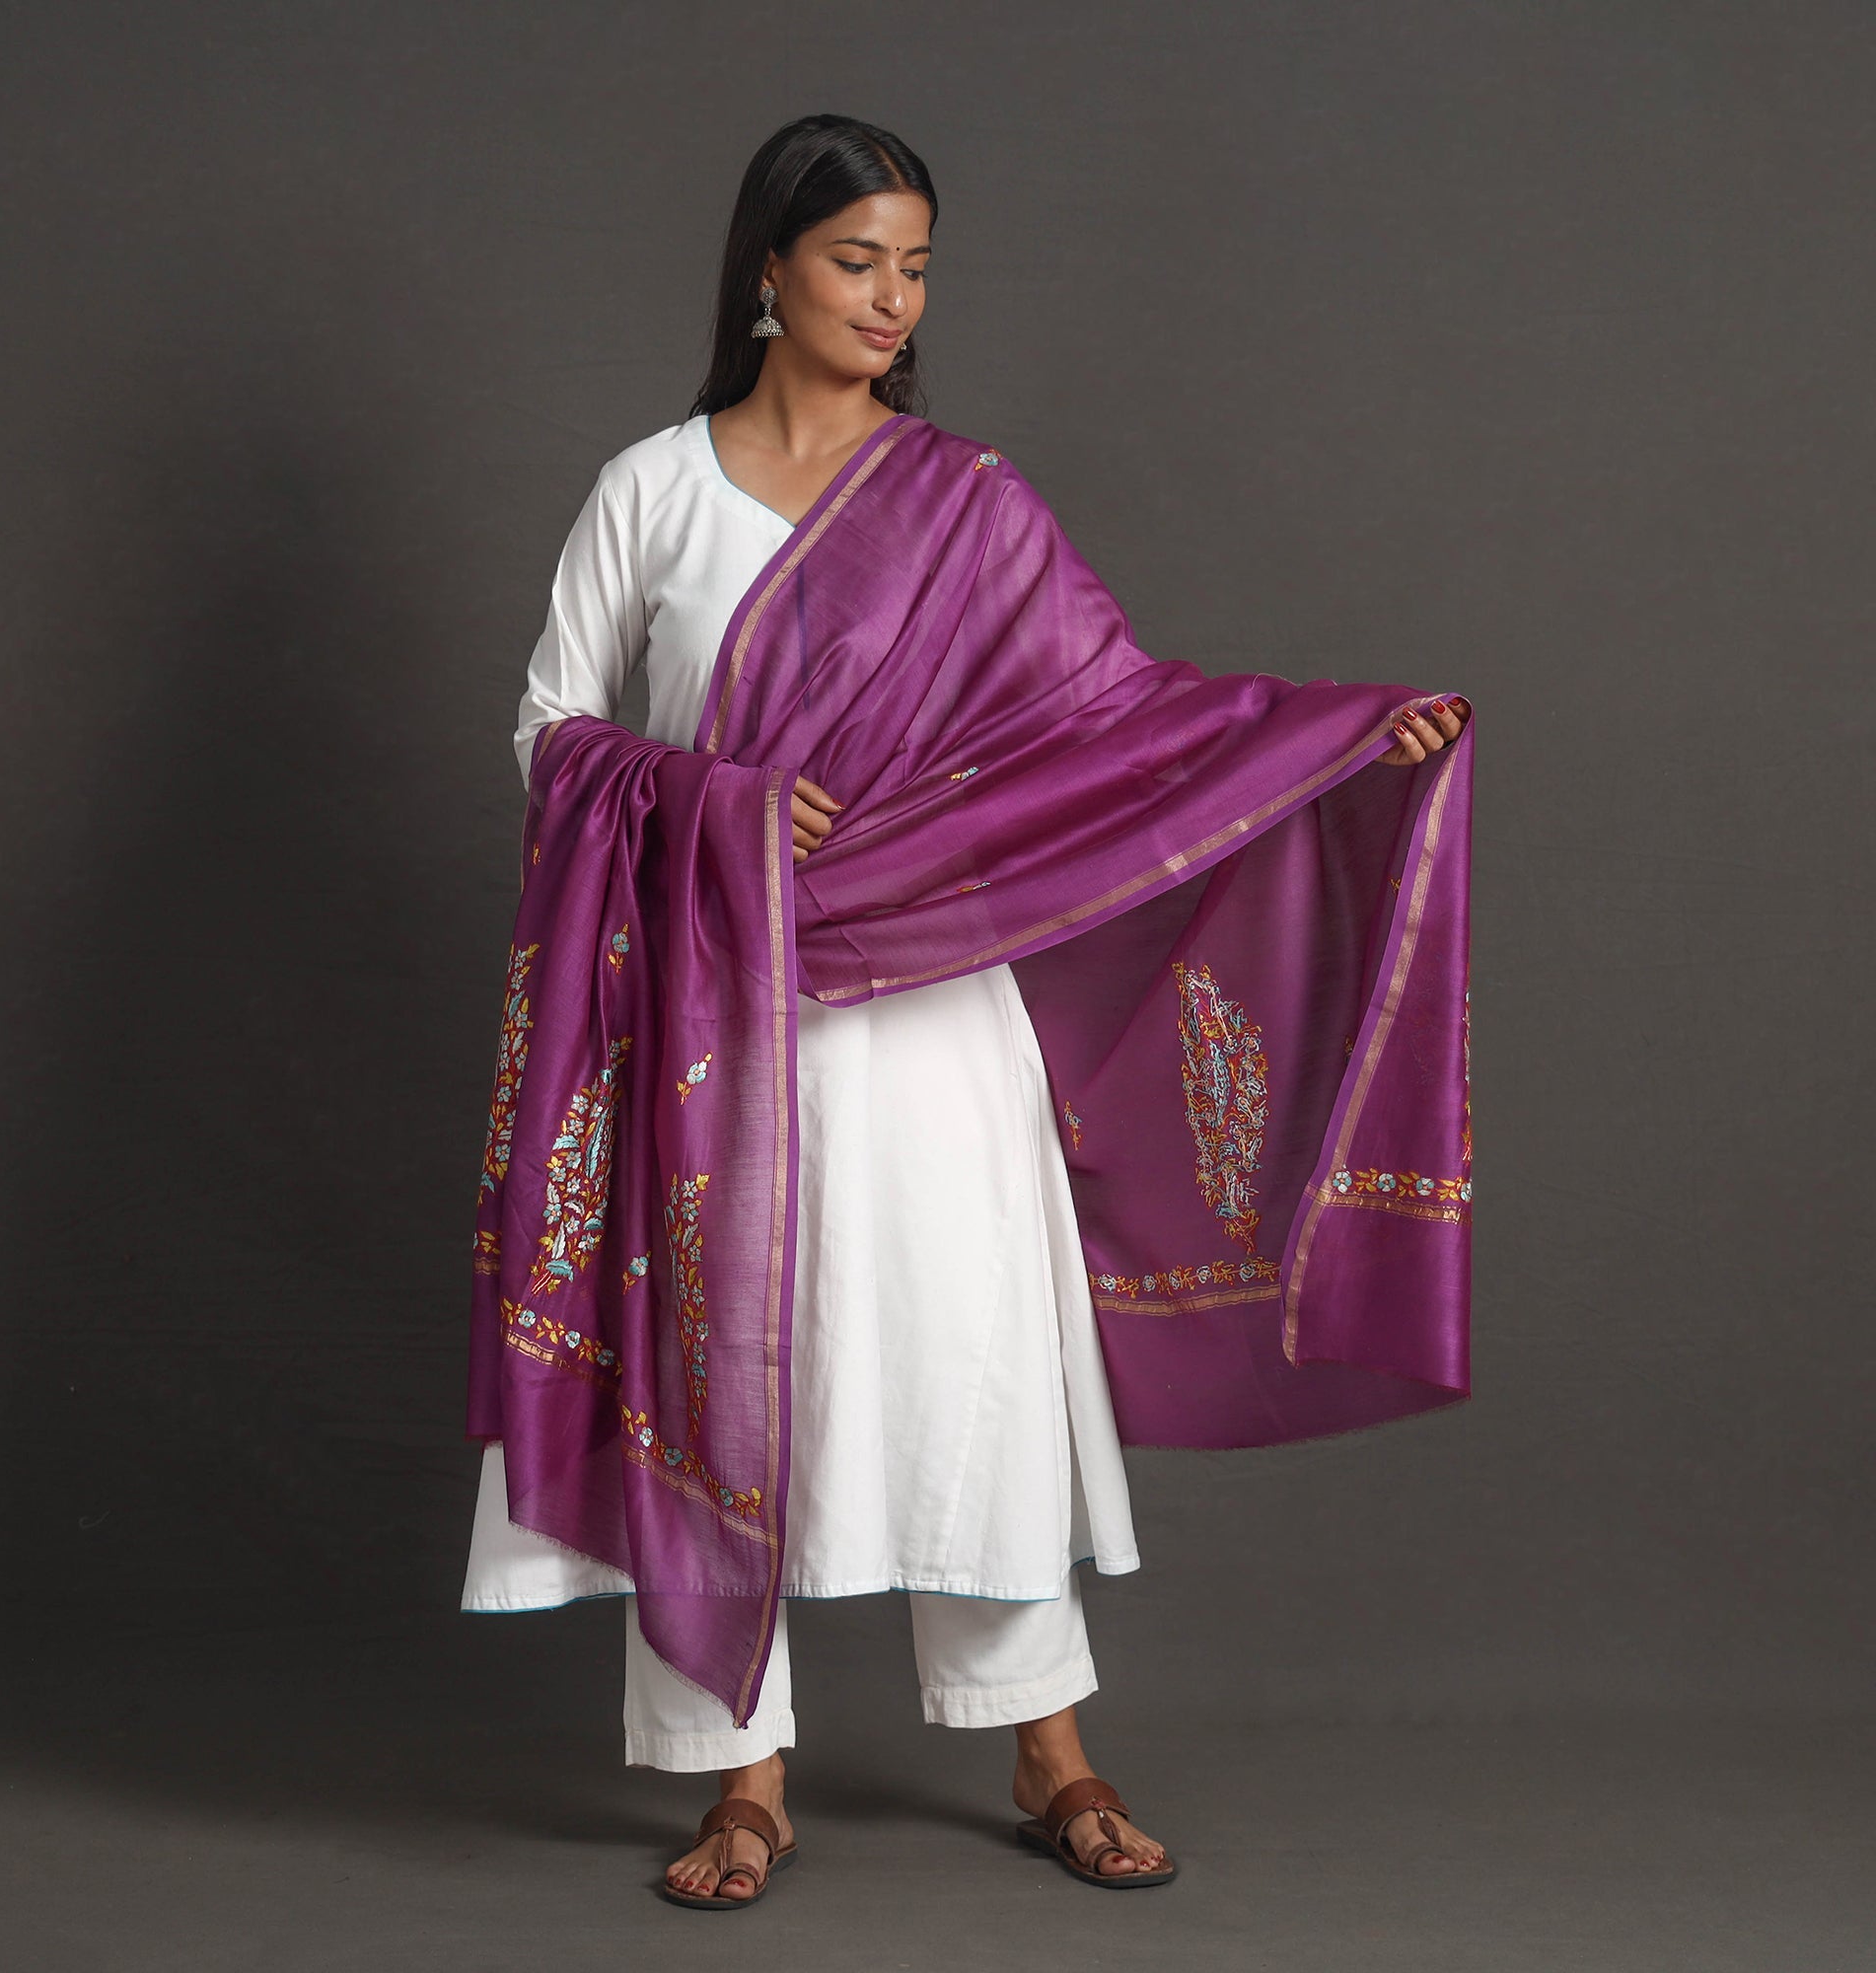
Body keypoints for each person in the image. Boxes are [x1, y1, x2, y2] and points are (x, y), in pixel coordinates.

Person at [462, 112, 1470, 1909]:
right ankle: (738, 1775)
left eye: (916, 267)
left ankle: (1046, 1749)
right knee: (714, 1359)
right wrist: (717, 802)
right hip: (717, 1009)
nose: (891, 299)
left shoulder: (968, 504)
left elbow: (1121, 719)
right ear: (768, 271)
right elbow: (552, 730)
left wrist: (1328, 737)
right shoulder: (652, 490)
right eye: (857, 260)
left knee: (974, 1362)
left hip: (932, 1012)